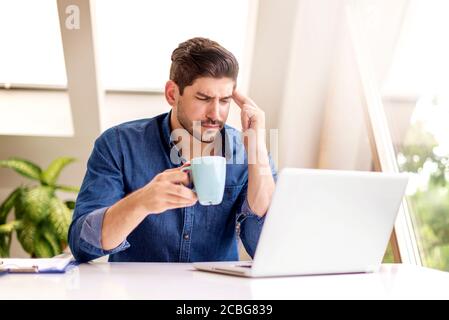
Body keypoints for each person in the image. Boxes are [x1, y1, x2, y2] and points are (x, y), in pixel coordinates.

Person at [69, 37, 276, 262]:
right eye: (203, 98)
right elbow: (82, 245)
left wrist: (258, 152)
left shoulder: (247, 153)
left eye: (225, 100)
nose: (215, 114)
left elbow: (266, 248)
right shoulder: (118, 144)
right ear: (172, 94)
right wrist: (140, 202)